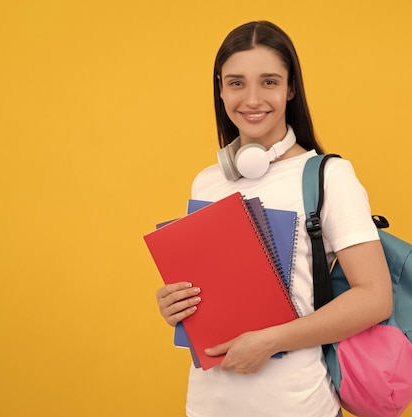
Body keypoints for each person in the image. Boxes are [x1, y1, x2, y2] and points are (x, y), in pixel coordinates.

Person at [155, 20, 392, 417]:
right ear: (220, 88)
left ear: (290, 88)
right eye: (236, 83)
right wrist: (176, 305)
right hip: (208, 405)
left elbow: (375, 297)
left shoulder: (327, 176)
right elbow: (214, 298)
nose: (251, 99)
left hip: (296, 405)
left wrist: (269, 340)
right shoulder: (207, 182)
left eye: (268, 82)